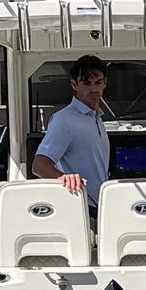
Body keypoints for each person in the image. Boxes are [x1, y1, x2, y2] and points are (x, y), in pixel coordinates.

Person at [33, 54, 111, 210]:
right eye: (86, 83)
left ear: (105, 84)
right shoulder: (64, 120)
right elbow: (39, 165)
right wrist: (64, 178)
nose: (93, 89)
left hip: (99, 207)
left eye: (98, 82)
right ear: (74, 85)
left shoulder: (96, 118)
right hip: (77, 206)